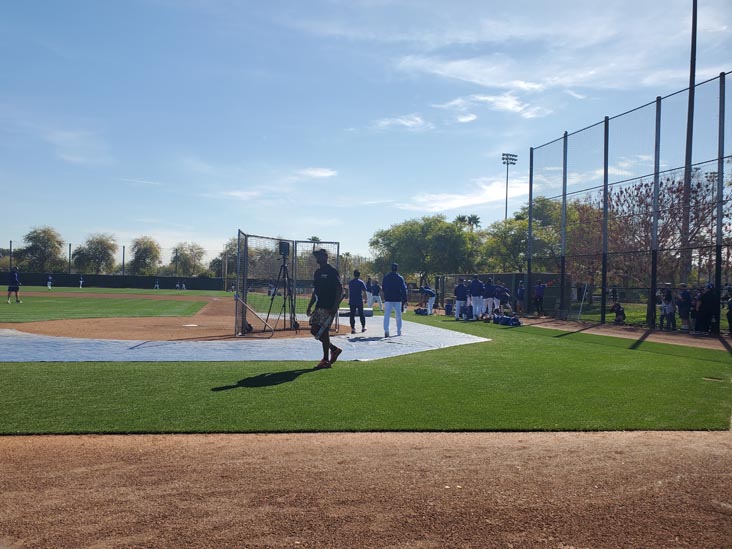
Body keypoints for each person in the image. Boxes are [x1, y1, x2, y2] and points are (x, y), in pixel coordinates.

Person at [306, 248, 343, 369]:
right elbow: (315, 291)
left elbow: (339, 290)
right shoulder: (317, 273)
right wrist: (310, 305)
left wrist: (335, 306)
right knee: (314, 331)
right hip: (319, 305)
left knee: (324, 331)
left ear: (326, 257)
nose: (318, 258)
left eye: (320, 256)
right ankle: (334, 349)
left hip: (329, 306)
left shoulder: (332, 271)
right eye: (317, 256)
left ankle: (326, 360)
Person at [382, 262, 407, 337]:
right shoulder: (400, 278)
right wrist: (405, 299)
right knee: (398, 315)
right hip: (397, 299)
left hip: (388, 299)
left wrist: (386, 294)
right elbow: (403, 289)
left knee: (387, 315)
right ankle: (399, 331)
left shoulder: (386, 277)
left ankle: (386, 331)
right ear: (397, 269)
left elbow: (383, 288)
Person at [348, 270, 368, 334]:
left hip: (352, 300)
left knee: (352, 314)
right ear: (359, 275)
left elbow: (349, 291)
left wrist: (349, 298)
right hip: (359, 300)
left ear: (354, 275)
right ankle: (363, 327)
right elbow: (364, 291)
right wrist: (365, 299)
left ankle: (353, 328)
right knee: (361, 314)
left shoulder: (351, 282)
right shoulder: (361, 282)